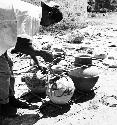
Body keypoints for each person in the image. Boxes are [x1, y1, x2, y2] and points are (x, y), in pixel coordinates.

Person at [0, 0, 63, 118]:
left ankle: (11, 98)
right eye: (52, 22)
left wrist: (38, 63)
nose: (50, 25)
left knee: (9, 65)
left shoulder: (32, 13)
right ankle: (3, 105)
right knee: (3, 73)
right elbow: (21, 47)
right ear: (49, 14)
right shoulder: (32, 17)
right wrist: (44, 54)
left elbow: (27, 45)